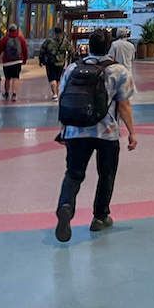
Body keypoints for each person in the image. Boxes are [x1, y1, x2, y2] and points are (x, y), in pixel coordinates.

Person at [54, 29, 137, 243]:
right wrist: (131, 133)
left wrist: (64, 129)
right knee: (106, 174)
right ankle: (100, 217)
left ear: (88, 46)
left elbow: (63, 98)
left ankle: (66, 206)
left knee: (73, 174)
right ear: (109, 47)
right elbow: (124, 105)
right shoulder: (118, 71)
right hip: (106, 132)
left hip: (76, 130)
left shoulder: (72, 68)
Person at [0, 23, 28, 101]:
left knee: (7, 78)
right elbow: (25, 50)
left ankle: (6, 93)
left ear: (9, 30)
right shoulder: (21, 38)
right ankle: (14, 94)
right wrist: (24, 59)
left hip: (7, 62)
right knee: (15, 78)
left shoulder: (5, 39)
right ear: (16, 30)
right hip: (17, 61)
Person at [38, 27, 73, 101]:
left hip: (50, 63)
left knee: (52, 78)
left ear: (54, 33)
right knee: (58, 78)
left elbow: (42, 51)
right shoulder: (65, 41)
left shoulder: (49, 41)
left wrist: (41, 60)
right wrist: (69, 61)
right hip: (61, 63)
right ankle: (58, 93)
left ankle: (54, 94)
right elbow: (71, 51)